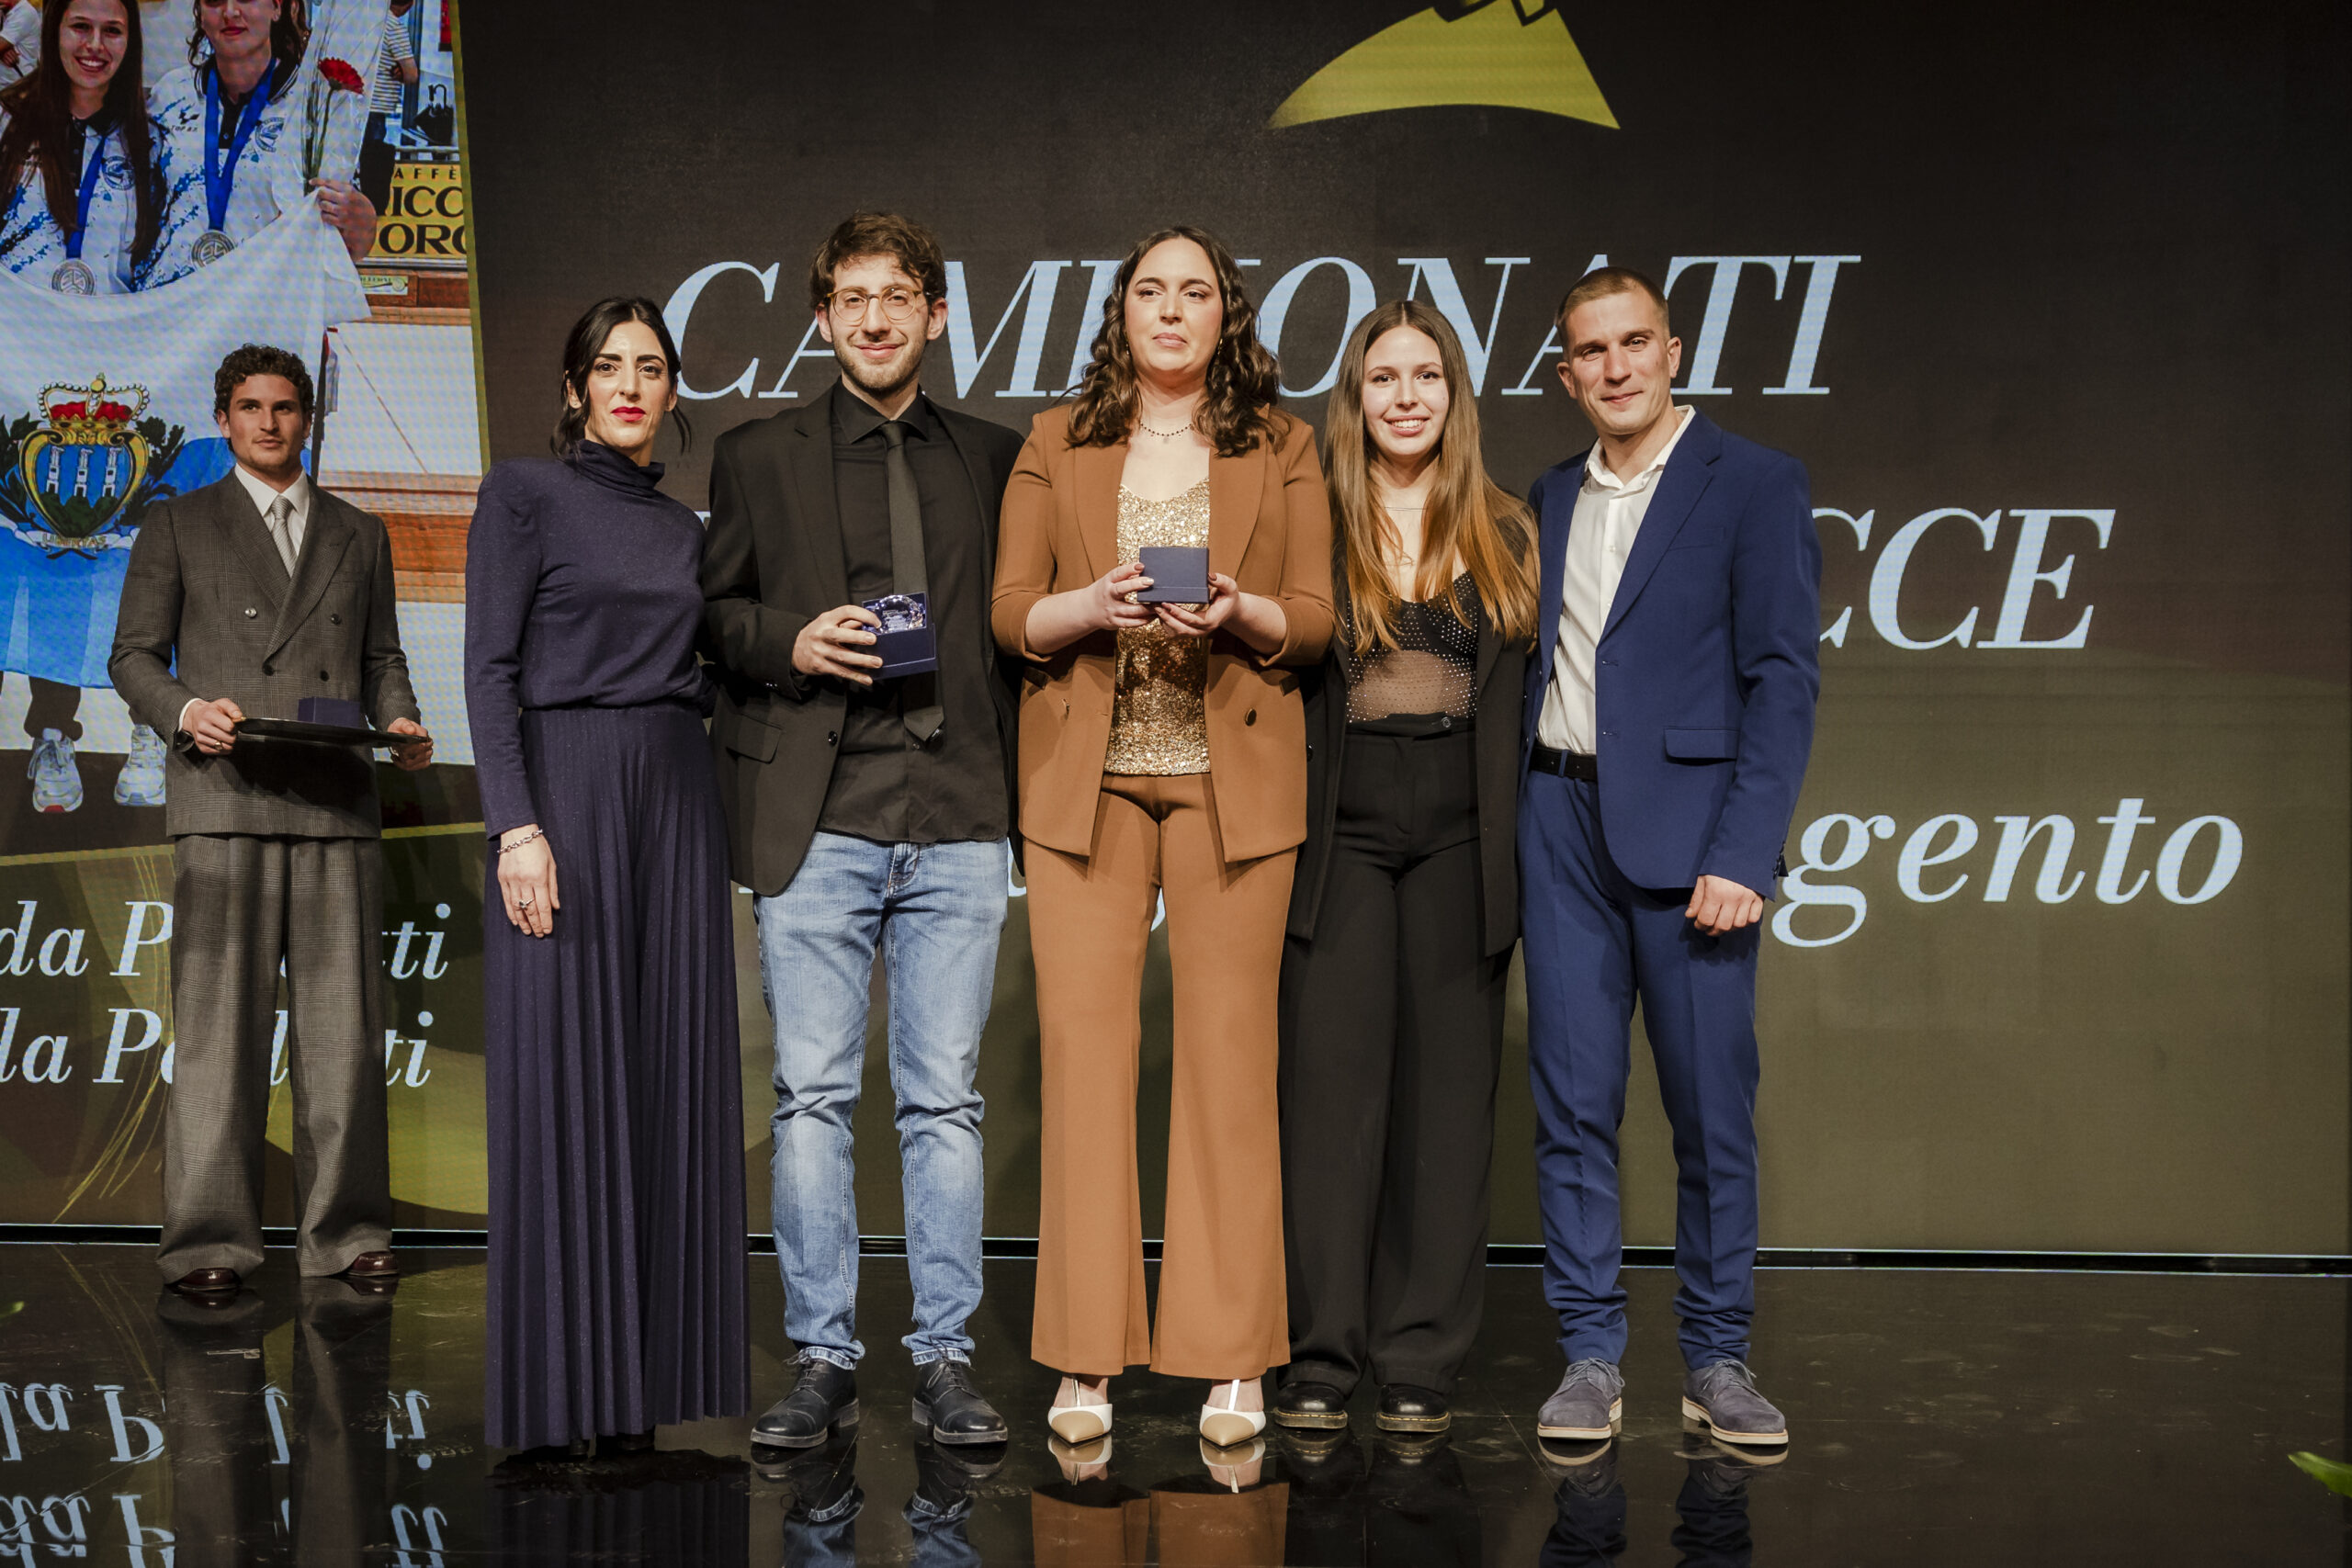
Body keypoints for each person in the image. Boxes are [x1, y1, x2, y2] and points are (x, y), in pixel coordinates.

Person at [992, 223, 1334, 1450]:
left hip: (1230, 780)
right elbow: (1009, 612)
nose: (1173, 309)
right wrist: (1092, 603)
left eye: (1196, 292)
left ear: (1225, 314)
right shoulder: (1057, 440)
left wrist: (1241, 609)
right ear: (1122, 312)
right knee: (1085, 1070)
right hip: (1085, 782)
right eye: (1152, 290)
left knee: (1229, 1071)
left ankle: (1232, 1358)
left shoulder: (1283, 444)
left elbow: (1315, 618)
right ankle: (1087, 1355)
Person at [700, 210, 1023, 1452]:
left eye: (898, 296)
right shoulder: (756, 454)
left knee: (944, 1103)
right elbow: (713, 614)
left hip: (958, 810)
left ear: (936, 313)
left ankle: (944, 1356)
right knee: (811, 1098)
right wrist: (787, 638)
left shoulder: (999, 457)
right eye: (852, 297)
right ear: (822, 317)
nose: (875, 318)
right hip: (818, 815)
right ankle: (824, 1356)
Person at [1518, 267, 1820, 1449]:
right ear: (1567, 374)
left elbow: (1782, 679)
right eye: (1591, 352)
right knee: (1571, 1110)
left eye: (1634, 342)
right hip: (1558, 825)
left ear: (1672, 350)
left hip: (1697, 845)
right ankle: (1589, 1356)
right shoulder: (1548, 494)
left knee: (1709, 1115)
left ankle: (1717, 1357)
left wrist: (1746, 851)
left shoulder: (1752, 481)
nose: (1616, 367)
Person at [464, 297, 746, 1458]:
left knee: (666, 1078)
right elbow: (487, 670)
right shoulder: (522, 493)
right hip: (564, 795)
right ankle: (560, 1397)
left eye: (653, 368)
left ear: (673, 392)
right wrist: (515, 828)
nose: (631, 386)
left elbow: (709, 662)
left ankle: (646, 1392)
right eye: (611, 366)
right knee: (564, 1083)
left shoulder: (685, 528)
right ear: (577, 385)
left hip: (674, 799)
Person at [107, 342, 432, 1297]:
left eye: (285, 407)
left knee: (343, 1035)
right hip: (225, 796)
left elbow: (381, 658)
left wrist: (401, 718)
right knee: (219, 1039)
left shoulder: (359, 531)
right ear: (223, 419)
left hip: (334, 797)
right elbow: (132, 657)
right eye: (250, 407)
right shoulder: (176, 523)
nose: (268, 422)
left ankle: (350, 1234)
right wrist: (182, 711)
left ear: (307, 419)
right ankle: (208, 1243)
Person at [1273, 300, 1537, 1438]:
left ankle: (1422, 1354)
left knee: (1446, 1101)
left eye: (1425, 376)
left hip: (1464, 826)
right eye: (1383, 378)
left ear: (1454, 395)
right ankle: (1321, 1354)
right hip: (1339, 821)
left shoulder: (1509, 526)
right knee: (1330, 1094)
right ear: (1355, 397)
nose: (1405, 397)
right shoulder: (1309, 519)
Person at [0, 0, 174, 816]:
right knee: (46, 558)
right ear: (53, 31)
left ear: (131, 41)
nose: (95, 46)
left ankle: (150, 724)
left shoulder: (153, 139)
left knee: (134, 558)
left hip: (124, 386)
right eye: (80, 27)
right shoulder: (10, 125)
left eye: (112, 31)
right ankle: (52, 733)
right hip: (23, 385)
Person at [147, 0, 378, 280]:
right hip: (174, 299)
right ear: (200, 14)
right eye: (214, 1)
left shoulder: (312, 104)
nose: (230, 12)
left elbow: (354, 242)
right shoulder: (170, 95)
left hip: (267, 300)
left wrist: (360, 216)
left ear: (277, 8)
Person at [354, 0, 412, 214]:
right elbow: (412, 74)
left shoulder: (365, 22)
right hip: (375, 108)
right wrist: (402, 70)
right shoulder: (393, 26)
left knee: (355, 164)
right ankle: (368, 212)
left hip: (355, 104)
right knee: (372, 173)